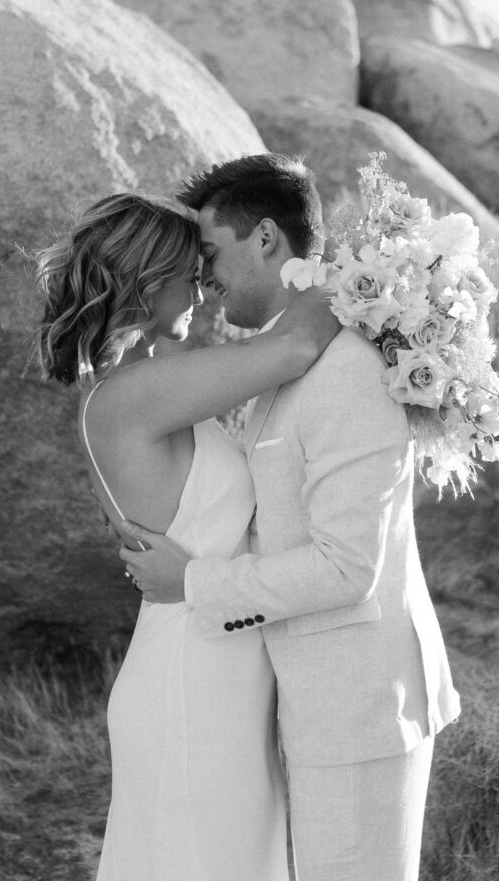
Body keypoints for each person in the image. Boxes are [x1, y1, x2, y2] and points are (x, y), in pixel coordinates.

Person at [119, 154, 462, 881]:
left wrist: (195, 582)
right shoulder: (285, 361)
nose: (203, 278)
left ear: (267, 239)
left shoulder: (343, 372)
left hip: (358, 708)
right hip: (310, 700)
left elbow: (347, 567)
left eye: (210, 253)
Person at [32, 189, 341, 881]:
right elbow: (294, 345)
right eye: (191, 267)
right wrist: (370, 275)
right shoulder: (129, 394)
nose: (203, 286)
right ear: (147, 279)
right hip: (190, 681)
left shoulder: (146, 384)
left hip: (217, 668)